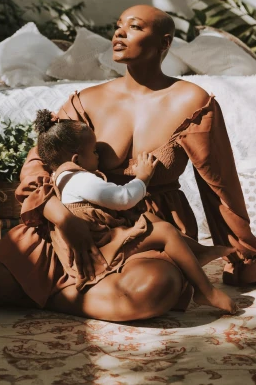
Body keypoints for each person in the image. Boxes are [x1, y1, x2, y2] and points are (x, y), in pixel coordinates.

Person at [0, 5, 256, 322]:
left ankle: (37, 294)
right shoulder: (86, 99)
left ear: (164, 44)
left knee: (154, 290)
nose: (119, 32)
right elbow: (40, 162)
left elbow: (220, 185)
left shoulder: (192, 101)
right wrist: (61, 217)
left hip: (146, 231)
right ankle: (54, 291)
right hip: (71, 220)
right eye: (119, 25)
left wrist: (246, 261)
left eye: (135, 27)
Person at [32, 108, 237, 314]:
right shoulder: (80, 180)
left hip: (102, 239)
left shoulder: (60, 176)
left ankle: (197, 252)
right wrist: (143, 177)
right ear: (76, 159)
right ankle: (206, 291)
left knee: (146, 218)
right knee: (165, 231)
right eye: (94, 151)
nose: (98, 157)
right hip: (99, 249)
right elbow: (122, 199)